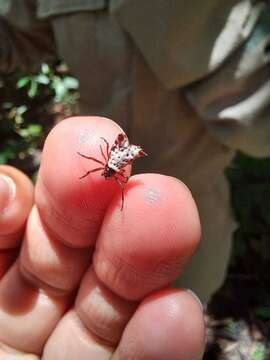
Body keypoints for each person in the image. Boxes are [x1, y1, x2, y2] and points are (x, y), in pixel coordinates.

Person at [0, 0, 270, 356]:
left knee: (179, 297)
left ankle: (188, 319)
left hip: (186, 205)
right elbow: (20, 35)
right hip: (90, 227)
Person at [0, 116, 205, 359]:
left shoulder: (112, 168)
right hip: (120, 157)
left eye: (108, 173)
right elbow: (109, 168)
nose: (106, 175)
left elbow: (107, 165)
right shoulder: (114, 171)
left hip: (120, 158)